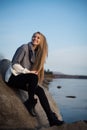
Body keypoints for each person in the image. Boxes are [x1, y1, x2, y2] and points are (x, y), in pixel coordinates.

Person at [4, 31, 64, 126]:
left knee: (40, 91)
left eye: (38, 38)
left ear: (41, 41)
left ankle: (51, 118)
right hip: (12, 77)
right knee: (33, 76)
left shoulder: (37, 54)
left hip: (23, 78)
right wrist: (28, 72)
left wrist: (31, 74)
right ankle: (30, 102)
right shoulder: (24, 48)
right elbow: (14, 64)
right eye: (34, 36)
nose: (35, 38)